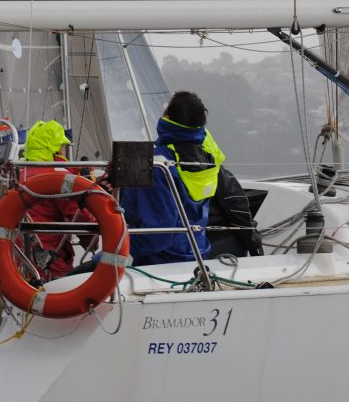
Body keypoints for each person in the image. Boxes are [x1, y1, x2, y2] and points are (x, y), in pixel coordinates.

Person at [119, 91, 224, 266]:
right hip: (196, 254)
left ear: (167, 116)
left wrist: (119, 251)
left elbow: (158, 233)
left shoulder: (152, 162)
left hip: (156, 261)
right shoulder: (209, 158)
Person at [19, 120, 97, 281]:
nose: (65, 151)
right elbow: (79, 215)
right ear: (54, 149)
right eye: (63, 147)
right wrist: (91, 242)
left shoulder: (20, 175)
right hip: (52, 261)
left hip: (20, 261)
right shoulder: (59, 177)